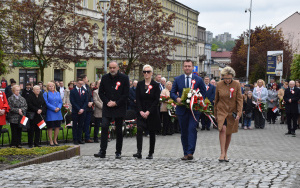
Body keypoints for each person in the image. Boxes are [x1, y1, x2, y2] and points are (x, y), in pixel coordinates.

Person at [170, 59, 206, 160]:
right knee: (184, 131)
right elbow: (172, 92)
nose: (187, 68)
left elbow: (203, 92)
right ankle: (185, 152)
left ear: (192, 67)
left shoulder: (198, 79)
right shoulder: (178, 79)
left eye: (189, 66)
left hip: (194, 110)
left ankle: (190, 152)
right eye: (185, 66)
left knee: (192, 129)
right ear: (183, 67)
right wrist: (177, 98)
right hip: (182, 109)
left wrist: (198, 99)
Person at [94, 61, 129, 159]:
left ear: (118, 68)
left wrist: (116, 102)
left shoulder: (124, 78)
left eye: (114, 68)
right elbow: (101, 93)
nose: (112, 69)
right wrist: (107, 102)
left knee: (118, 130)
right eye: (110, 68)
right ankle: (102, 150)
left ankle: (118, 152)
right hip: (107, 107)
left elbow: (126, 94)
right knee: (104, 126)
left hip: (119, 107)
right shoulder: (105, 78)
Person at [214, 67, 243, 162]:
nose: (227, 80)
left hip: (232, 112)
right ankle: (222, 153)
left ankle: (226, 152)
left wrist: (239, 112)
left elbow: (239, 99)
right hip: (221, 110)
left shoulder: (236, 84)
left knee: (229, 132)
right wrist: (215, 114)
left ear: (232, 77)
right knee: (222, 129)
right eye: (225, 78)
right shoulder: (219, 85)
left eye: (229, 78)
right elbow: (216, 100)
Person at [133, 64, 160, 159]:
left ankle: (150, 153)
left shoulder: (156, 85)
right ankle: (139, 151)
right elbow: (138, 99)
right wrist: (140, 111)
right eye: (144, 72)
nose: (146, 73)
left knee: (152, 132)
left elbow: (156, 100)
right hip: (141, 111)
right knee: (139, 130)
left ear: (152, 73)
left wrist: (148, 111)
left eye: (148, 72)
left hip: (152, 112)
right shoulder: (140, 84)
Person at [43, 82, 63, 146]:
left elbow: (60, 101)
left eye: (52, 86)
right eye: (50, 86)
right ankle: (51, 140)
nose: (51, 87)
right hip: (50, 112)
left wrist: (59, 107)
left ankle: (55, 140)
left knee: (57, 126)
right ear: (47, 87)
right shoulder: (46, 93)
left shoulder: (57, 93)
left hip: (58, 112)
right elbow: (46, 103)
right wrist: (54, 108)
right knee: (50, 127)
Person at [70, 78, 88, 145]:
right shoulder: (73, 91)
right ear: (76, 83)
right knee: (75, 125)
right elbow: (72, 101)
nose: (81, 85)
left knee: (81, 125)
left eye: (82, 84)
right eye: (80, 84)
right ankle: (75, 139)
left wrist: (82, 109)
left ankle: (79, 139)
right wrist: (78, 109)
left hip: (83, 111)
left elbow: (86, 100)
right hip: (75, 111)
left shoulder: (84, 90)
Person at [80, 74, 94, 143]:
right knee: (81, 123)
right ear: (83, 79)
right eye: (86, 79)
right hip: (83, 108)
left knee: (87, 123)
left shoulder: (87, 87)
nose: (87, 80)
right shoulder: (79, 87)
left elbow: (91, 95)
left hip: (89, 108)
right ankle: (79, 137)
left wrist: (91, 102)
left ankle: (87, 137)